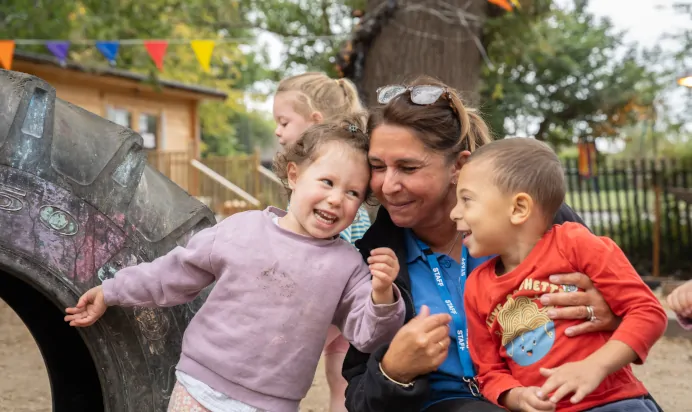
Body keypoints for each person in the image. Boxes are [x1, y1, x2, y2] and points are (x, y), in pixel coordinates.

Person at [341, 77, 654, 412]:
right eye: (377, 167)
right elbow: (360, 398)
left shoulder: (540, 219)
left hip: (563, 398)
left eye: (408, 167)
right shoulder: (373, 256)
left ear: (458, 167)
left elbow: (637, 306)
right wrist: (393, 372)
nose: (388, 185)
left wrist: (608, 313)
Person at [64, 115, 405, 412]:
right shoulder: (242, 229)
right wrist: (111, 291)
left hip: (274, 404)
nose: (336, 198)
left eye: (352, 193)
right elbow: (172, 273)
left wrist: (382, 294)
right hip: (199, 388)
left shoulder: (347, 265)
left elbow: (369, 335)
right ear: (294, 174)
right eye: (328, 182)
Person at [455, 137, 667, 412]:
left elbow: (648, 312)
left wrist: (594, 367)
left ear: (518, 208)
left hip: (613, 403)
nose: (453, 213)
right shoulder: (477, 286)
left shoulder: (575, 244)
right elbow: (489, 371)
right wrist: (517, 396)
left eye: (466, 200)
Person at [273, 72, 371, 411]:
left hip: (324, 301)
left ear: (315, 122)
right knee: (337, 378)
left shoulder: (326, 193)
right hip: (340, 303)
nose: (278, 131)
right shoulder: (335, 182)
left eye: (284, 122)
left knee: (330, 377)